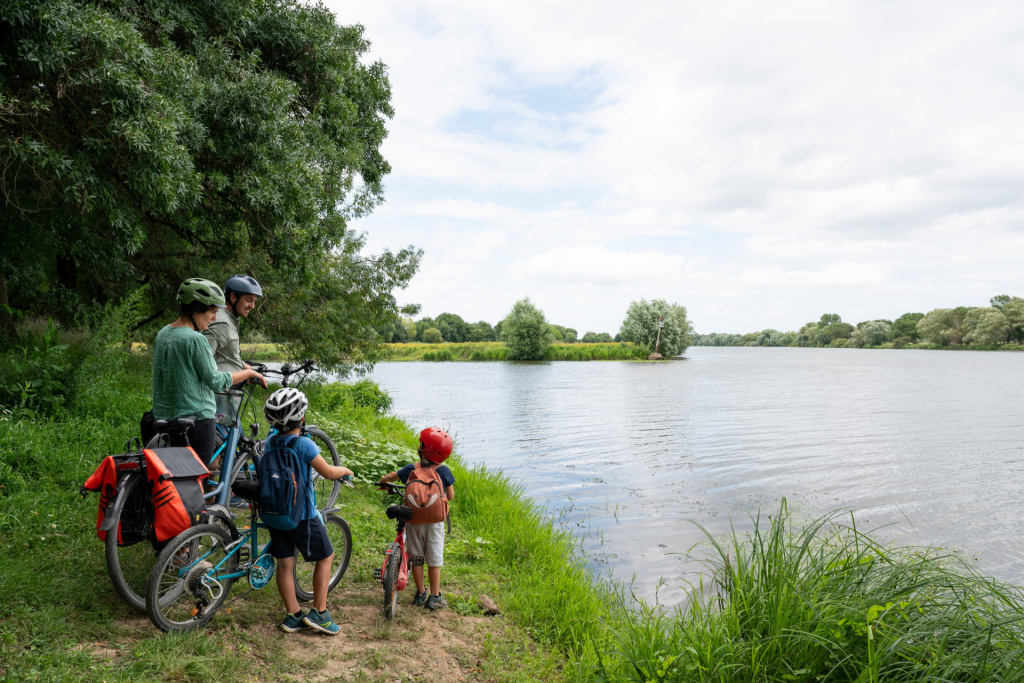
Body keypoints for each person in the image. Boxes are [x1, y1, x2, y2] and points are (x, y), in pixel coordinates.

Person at [262, 387, 354, 635]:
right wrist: (344, 469)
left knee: (285, 564)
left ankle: (293, 615)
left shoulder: (269, 443)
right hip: (302, 516)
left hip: (275, 514)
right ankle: (320, 613)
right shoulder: (304, 445)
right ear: (302, 418)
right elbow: (328, 472)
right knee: (325, 557)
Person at [151, 278, 266, 467]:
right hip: (197, 419)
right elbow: (215, 381)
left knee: (175, 477)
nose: (214, 318)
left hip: (166, 417)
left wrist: (241, 366)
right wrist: (249, 373)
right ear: (196, 309)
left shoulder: (163, 333)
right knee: (195, 479)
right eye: (212, 312)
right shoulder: (196, 339)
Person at [377, 427, 456, 610]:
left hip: (413, 521)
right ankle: (435, 597)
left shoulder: (412, 468)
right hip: (435, 523)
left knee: (417, 557)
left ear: (423, 449)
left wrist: (383, 482)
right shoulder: (444, 472)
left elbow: (390, 476)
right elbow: (450, 496)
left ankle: (420, 593)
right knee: (434, 559)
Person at [203, 274, 262, 373]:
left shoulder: (230, 318)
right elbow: (201, 361)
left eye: (254, 301)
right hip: (221, 387)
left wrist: (244, 366)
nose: (252, 306)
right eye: (249, 300)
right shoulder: (222, 323)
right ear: (233, 297)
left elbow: (225, 355)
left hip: (230, 385)